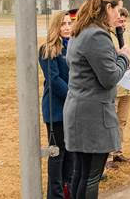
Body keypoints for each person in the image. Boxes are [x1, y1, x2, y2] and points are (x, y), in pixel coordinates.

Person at [64, 0, 130, 198]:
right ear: (108, 8)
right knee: (91, 176)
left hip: (79, 110)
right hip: (93, 114)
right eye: (118, 10)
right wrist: (123, 57)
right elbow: (109, 77)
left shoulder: (81, 30)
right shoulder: (97, 35)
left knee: (80, 174)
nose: (119, 16)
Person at [39, 11, 74, 198]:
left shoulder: (74, 46)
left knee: (71, 155)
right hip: (56, 110)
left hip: (74, 109)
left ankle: (68, 190)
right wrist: (74, 97)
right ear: (56, 27)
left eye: (69, 23)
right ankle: (55, 194)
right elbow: (53, 79)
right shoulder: (48, 49)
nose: (67, 27)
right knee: (57, 155)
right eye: (63, 24)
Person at [106, 7, 130, 169]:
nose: (122, 23)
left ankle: (118, 151)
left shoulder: (126, 34)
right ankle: (108, 156)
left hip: (127, 84)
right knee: (111, 120)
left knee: (122, 120)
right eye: (120, 20)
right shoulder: (108, 36)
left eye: (124, 20)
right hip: (114, 84)